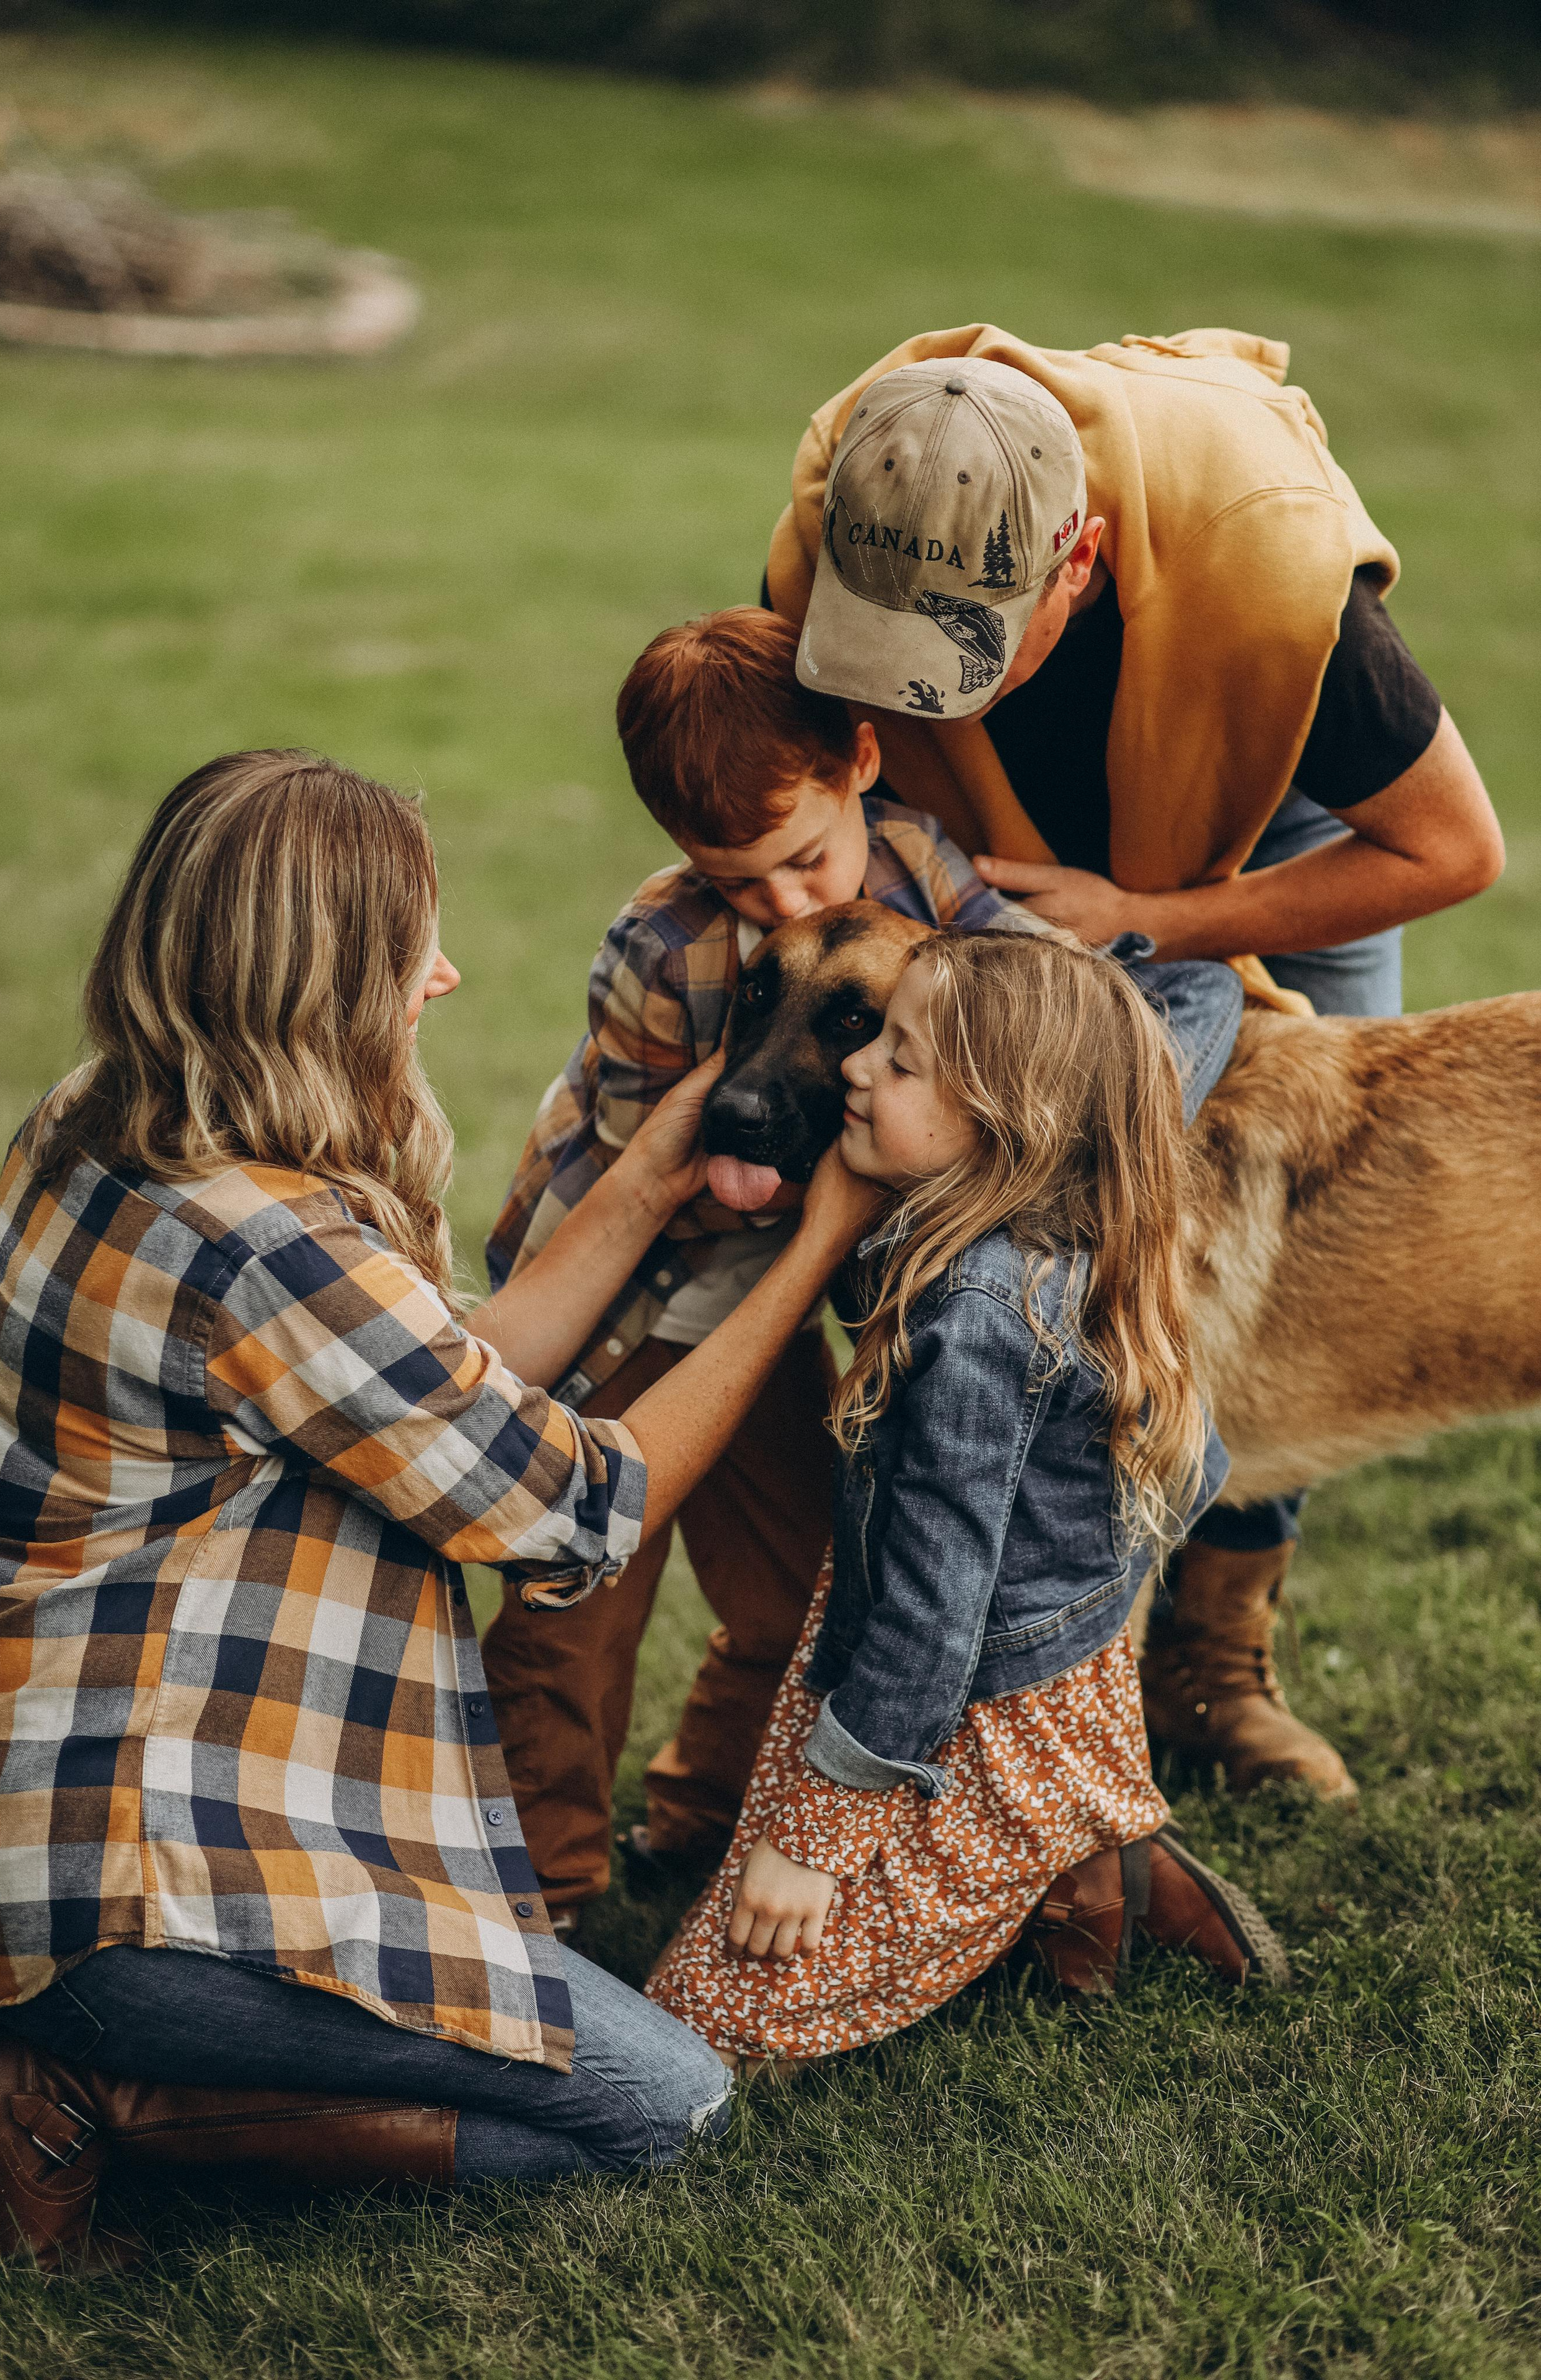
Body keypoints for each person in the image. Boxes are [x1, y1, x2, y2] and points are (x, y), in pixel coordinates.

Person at [0, 751, 876, 2274]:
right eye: (408, 951)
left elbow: (458, 1375)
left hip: (37, 1819)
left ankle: (88, 2060)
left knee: (594, 2093)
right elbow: (584, 1511)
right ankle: (79, 2094)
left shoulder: (99, 1124)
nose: (443, 977)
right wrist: (809, 1251)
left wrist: (660, 1165)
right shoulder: (265, 1246)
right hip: (132, 1878)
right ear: (310, 985)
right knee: (672, 2110)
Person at [764, 325, 1507, 1801]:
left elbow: (1449, 849)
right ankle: (907, 1652)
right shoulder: (848, 500)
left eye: (960, 659)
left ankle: (1208, 1662)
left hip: (1273, 827)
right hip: (986, 857)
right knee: (995, 1223)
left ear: (1080, 560)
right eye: (887, 659)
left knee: (1240, 1240)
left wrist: (1160, 920)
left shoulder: (1274, 577)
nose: (926, 699)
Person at [647, 928, 1288, 2066]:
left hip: (966, 1710)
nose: (852, 1070)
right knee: (730, 1949)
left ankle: (1063, 1834)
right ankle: (1092, 1839)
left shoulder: (980, 1313)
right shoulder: (1068, 1232)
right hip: (1050, 1669)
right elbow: (1196, 1473)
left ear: (1007, 1119)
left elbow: (935, 1615)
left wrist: (823, 1833)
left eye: (897, 1061)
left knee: (713, 2020)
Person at [482, 606, 1019, 1926]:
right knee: (575, 1602)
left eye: (803, 860)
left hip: (768, 1312)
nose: (789, 903)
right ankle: (532, 1901)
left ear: (860, 761)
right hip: (625, 1300)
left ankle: (700, 1815)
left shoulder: (922, 872)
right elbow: (626, 1191)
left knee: (797, 1590)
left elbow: (1029, 986)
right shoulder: (659, 948)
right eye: (739, 886)